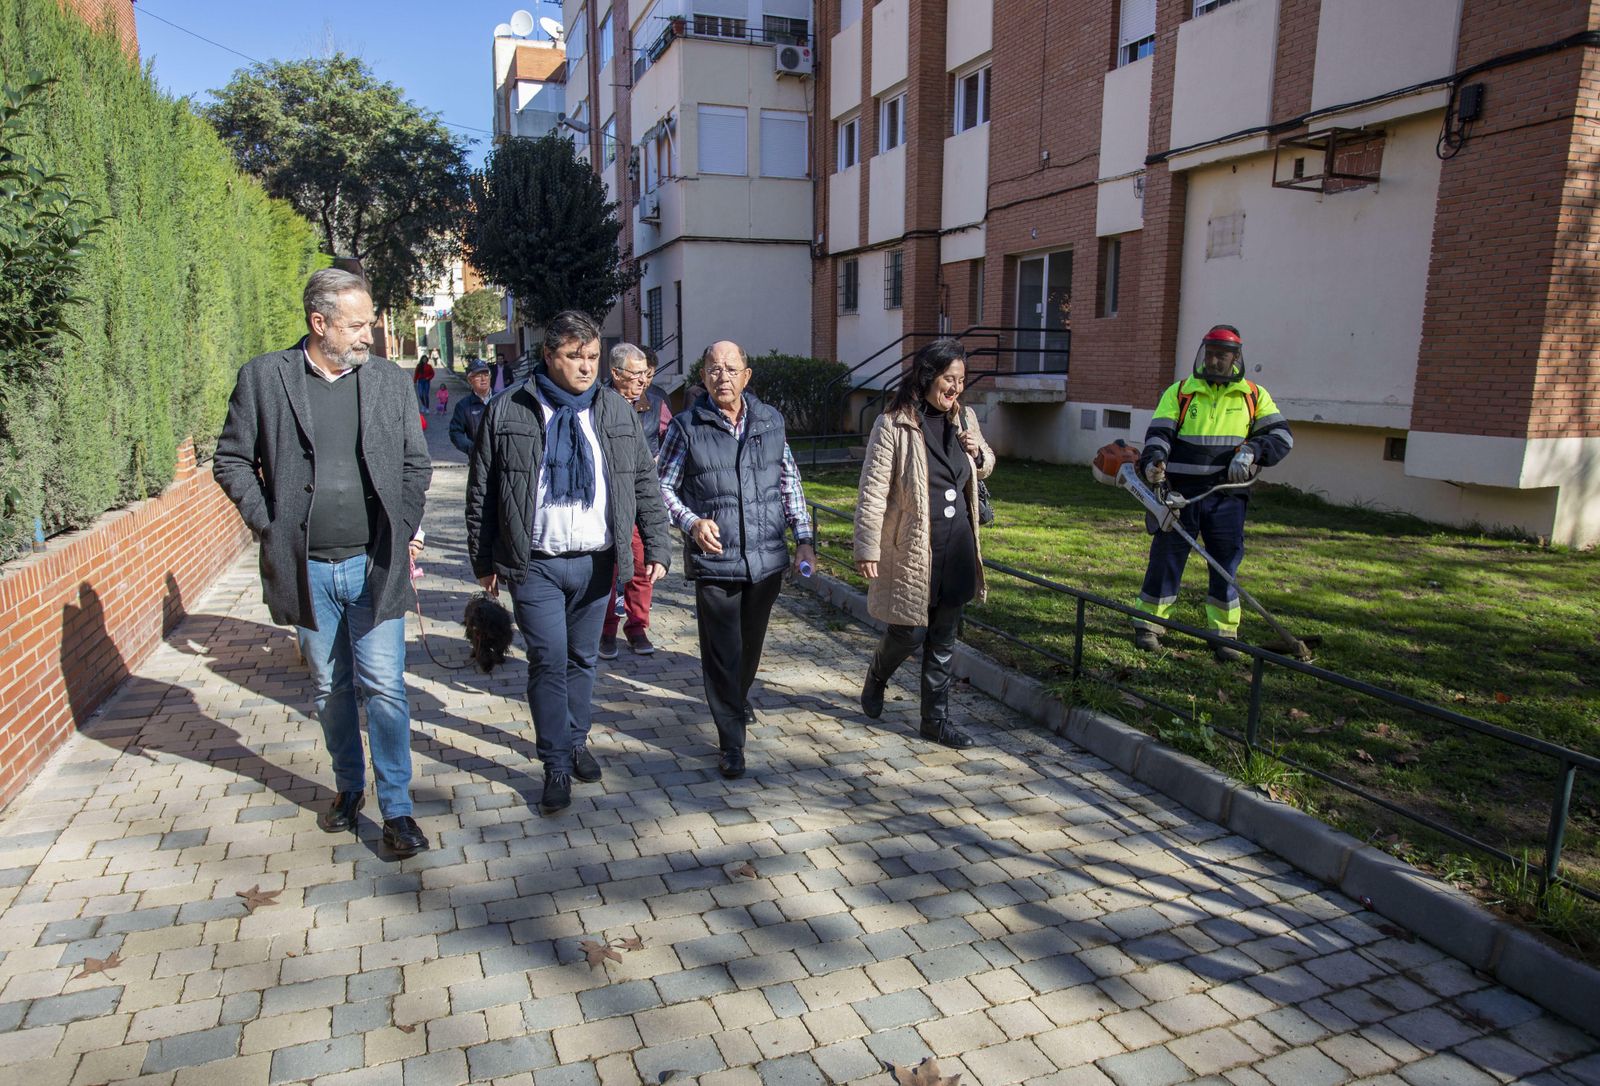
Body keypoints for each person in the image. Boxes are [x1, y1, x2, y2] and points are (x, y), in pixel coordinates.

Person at [213, 268, 432, 857]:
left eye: (371, 323)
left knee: (385, 686)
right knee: (329, 687)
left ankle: (399, 809)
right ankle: (347, 788)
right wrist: (270, 524)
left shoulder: (387, 381)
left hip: (374, 564)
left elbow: (417, 464)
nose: (370, 334)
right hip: (307, 570)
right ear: (320, 323)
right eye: (358, 325)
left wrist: (403, 528)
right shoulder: (265, 378)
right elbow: (231, 461)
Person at [465, 310, 672, 815]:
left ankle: (577, 740)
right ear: (548, 356)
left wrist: (659, 545)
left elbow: (642, 480)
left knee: (584, 659)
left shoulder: (614, 411)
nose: (585, 367)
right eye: (574, 356)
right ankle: (555, 761)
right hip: (534, 563)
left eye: (593, 357)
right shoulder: (509, 408)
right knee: (548, 661)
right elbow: (483, 489)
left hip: (597, 563)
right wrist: (483, 560)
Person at [658, 341, 816, 780]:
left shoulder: (770, 421)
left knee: (748, 648)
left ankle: (736, 697)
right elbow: (662, 487)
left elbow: (789, 481)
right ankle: (731, 742)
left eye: (731, 368)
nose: (722, 376)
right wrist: (691, 523)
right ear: (703, 377)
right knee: (722, 653)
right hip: (716, 561)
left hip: (765, 560)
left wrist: (804, 539)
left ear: (747, 375)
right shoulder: (687, 426)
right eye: (713, 369)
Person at [853, 339, 994, 750]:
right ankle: (878, 675)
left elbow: (985, 465)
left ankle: (935, 721)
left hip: (958, 545)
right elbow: (873, 490)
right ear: (927, 376)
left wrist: (977, 452)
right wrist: (866, 546)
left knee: (945, 637)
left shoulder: (964, 418)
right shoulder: (894, 423)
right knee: (910, 631)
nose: (956, 389)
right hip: (915, 546)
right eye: (950, 379)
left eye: (962, 381)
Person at [1133, 324, 1293, 661]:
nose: (1213, 361)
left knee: (1225, 562)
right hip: (1179, 495)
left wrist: (1253, 450)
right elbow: (1159, 433)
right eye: (1209, 354)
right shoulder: (1180, 392)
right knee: (1166, 558)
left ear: (1236, 358)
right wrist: (1155, 460)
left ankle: (1223, 634)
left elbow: (1282, 437)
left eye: (1221, 355)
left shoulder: (1253, 395)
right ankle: (1149, 625)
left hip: (1227, 498)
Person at [599, 344, 673, 659]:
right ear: (615, 374)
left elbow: (672, 442)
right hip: (606, 500)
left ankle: (637, 627)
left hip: (642, 496)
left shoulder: (656, 404)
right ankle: (605, 631)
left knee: (642, 567)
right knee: (608, 569)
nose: (644, 380)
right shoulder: (596, 404)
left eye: (646, 373)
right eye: (637, 373)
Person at [449, 358, 496, 455]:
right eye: (478, 376)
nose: (483, 379)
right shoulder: (463, 406)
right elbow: (455, 433)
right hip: (479, 462)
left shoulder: (501, 400)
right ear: (470, 380)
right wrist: (472, 449)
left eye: (486, 375)